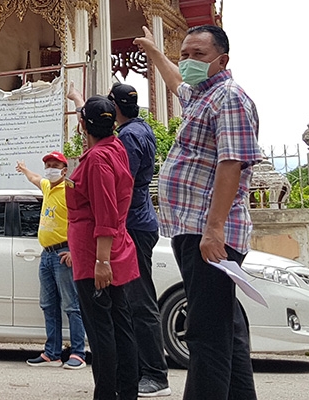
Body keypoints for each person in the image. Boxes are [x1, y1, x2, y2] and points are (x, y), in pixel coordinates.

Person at [134, 24, 259, 400]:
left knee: (205, 333)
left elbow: (231, 163)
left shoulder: (229, 97)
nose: (187, 61)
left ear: (221, 60)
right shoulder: (203, 97)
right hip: (191, 230)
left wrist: (214, 229)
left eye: (198, 55)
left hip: (210, 232)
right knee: (224, 327)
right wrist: (156, 52)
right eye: (184, 54)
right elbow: (177, 84)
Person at [66, 88, 139, 400]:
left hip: (97, 255)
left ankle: (107, 393)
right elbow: (96, 122)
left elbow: (105, 212)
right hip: (114, 249)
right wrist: (79, 101)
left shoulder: (96, 160)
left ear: (83, 126)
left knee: (101, 331)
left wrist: (101, 261)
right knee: (120, 324)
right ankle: (127, 391)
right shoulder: (115, 147)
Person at [110, 83, 169, 397]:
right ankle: (136, 370)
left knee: (139, 301)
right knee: (130, 300)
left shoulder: (130, 137)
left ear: (116, 108)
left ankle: (156, 375)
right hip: (138, 221)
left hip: (133, 224)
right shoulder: (139, 129)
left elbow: (124, 184)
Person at [16, 150, 87, 370]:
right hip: (46, 254)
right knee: (48, 305)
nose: (50, 169)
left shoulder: (70, 191)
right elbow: (36, 179)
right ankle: (52, 353)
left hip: (64, 253)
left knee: (71, 305)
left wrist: (76, 252)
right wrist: (25, 169)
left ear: (65, 170)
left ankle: (78, 353)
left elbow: (82, 222)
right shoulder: (47, 186)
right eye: (48, 165)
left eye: (55, 166)